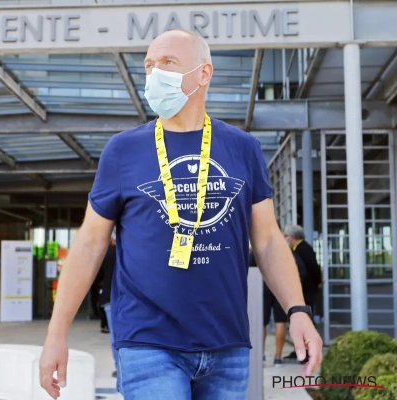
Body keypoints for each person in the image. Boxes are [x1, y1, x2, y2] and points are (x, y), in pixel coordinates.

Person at [39, 29, 323, 400]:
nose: (155, 73)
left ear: (204, 73)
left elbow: (268, 240)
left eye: (168, 63)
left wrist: (297, 310)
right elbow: (90, 242)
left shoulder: (243, 148)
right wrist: (56, 334)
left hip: (227, 343)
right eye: (149, 66)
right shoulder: (123, 150)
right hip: (148, 342)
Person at [250, 247, 307, 367]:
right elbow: (302, 270)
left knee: (262, 323)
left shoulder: (258, 248)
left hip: (263, 288)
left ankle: (261, 356)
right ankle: (278, 357)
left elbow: (248, 268)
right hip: (281, 289)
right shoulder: (285, 249)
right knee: (280, 322)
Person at [283, 225, 323, 363]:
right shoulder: (300, 248)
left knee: (306, 320)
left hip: (307, 291)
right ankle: (301, 350)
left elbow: (313, 268)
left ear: (291, 237)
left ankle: (308, 351)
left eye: (286, 236)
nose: (286, 239)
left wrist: (318, 282)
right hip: (305, 290)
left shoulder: (303, 249)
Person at [99, 232, 117, 377]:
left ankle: (119, 367)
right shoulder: (129, 251)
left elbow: (99, 275)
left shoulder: (106, 253)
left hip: (109, 296)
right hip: (127, 297)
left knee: (114, 335)